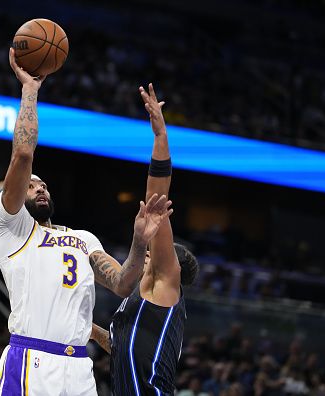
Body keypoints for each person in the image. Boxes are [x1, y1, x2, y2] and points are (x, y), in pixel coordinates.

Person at [0, 49, 174, 396]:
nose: (38, 187)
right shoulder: (11, 228)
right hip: (32, 359)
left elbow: (121, 283)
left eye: (43, 184)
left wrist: (138, 240)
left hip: (78, 369)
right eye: (30, 185)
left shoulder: (84, 238)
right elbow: (23, 155)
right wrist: (30, 89)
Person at [90, 84, 199, 395]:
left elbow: (156, 198)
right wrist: (85, 328)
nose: (149, 254)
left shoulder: (165, 283)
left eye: (156, 253)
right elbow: (120, 346)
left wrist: (160, 138)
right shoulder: (143, 301)